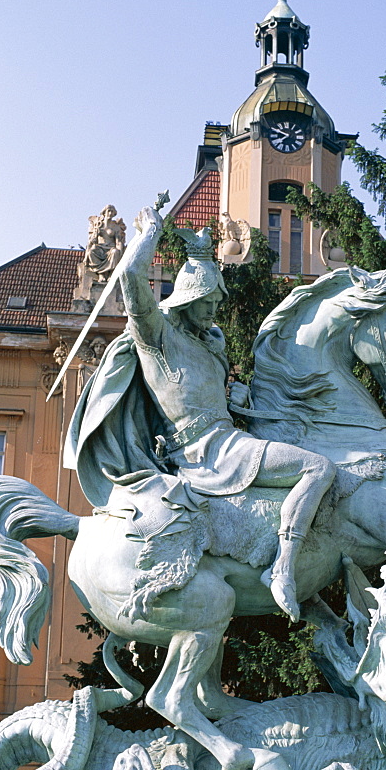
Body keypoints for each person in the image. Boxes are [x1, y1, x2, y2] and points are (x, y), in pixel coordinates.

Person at [112, 207, 336, 622]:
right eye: (209, 301)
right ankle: (283, 570)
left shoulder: (212, 344)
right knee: (318, 468)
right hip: (204, 452)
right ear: (190, 297)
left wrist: (238, 399)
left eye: (219, 300)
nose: (216, 309)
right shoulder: (157, 336)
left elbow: (217, 403)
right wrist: (151, 232)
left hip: (228, 439)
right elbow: (129, 279)